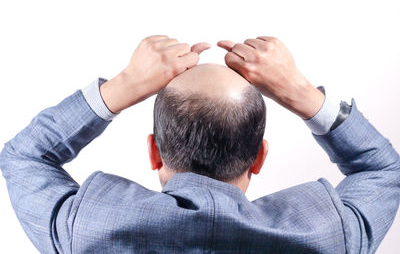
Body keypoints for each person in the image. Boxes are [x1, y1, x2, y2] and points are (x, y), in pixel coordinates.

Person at [0, 35, 398, 254]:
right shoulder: (329, 235)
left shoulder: (86, 229)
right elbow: (384, 169)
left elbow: (24, 156)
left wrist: (124, 86)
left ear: (153, 151)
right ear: (259, 157)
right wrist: (299, 92)